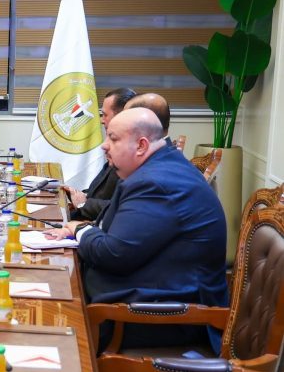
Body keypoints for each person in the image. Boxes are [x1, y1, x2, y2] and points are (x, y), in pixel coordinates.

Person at [45, 108, 228, 352]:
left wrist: (81, 230)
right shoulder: (157, 168)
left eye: (113, 138)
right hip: (149, 294)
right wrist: (86, 230)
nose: (104, 146)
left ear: (141, 145)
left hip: (160, 318)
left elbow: (113, 254)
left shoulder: (156, 183)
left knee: (50, 321)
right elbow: (119, 232)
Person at [63, 88, 136, 221]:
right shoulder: (118, 148)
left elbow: (121, 207)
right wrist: (75, 194)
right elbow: (100, 191)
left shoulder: (131, 154)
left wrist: (84, 204)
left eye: (104, 115)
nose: (102, 120)